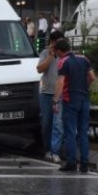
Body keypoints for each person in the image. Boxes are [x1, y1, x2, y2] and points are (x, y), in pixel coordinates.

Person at [53, 39, 96, 172]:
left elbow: (60, 82)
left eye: (56, 52)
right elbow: (92, 77)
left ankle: (71, 162)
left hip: (70, 100)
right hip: (84, 99)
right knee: (83, 132)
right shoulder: (84, 59)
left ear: (60, 51)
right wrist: (84, 87)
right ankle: (84, 163)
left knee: (70, 132)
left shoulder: (63, 62)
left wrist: (55, 101)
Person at [36, 31, 64, 163]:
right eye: (56, 42)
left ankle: (55, 151)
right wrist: (51, 56)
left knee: (58, 124)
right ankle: (47, 149)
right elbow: (39, 69)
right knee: (46, 122)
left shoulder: (65, 55)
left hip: (60, 94)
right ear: (52, 42)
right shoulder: (45, 53)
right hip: (46, 93)